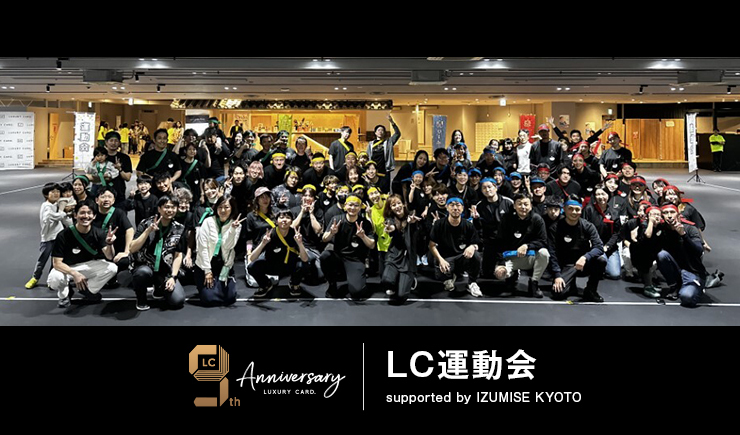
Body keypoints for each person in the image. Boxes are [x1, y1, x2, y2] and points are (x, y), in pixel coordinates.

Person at [48, 202, 119, 308]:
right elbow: (57, 263)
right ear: (75, 215)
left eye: (89, 213)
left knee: (112, 268)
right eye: (82, 213)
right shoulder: (63, 235)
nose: (86, 216)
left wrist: (109, 244)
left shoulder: (99, 233)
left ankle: (87, 290)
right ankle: (64, 295)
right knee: (55, 278)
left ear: (94, 216)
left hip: (88, 265)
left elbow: (109, 256)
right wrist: (75, 274)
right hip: (67, 268)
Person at [129, 196, 187, 311]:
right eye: (166, 207)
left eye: (173, 207)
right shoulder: (146, 223)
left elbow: (178, 255)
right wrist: (148, 231)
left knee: (178, 300)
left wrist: (173, 277)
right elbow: (132, 248)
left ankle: (159, 288)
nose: (170, 210)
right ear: (159, 209)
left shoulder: (179, 228)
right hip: (145, 265)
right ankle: (141, 298)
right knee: (142, 273)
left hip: (164, 269)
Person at [547, 196, 606, 302]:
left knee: (601, 260)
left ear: (581, 210)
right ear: (564, 209)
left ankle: (591, 291)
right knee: (558, 294)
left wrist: (585, 257)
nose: (574, 212)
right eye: (570, 209)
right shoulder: (555, 228)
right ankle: (571, 285)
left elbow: (599, 247)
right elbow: (552, 253)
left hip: (583, 263)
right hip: (565, 265)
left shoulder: (588, 226)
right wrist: (557, 275)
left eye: (577, 209)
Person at [494, 193, 550, 298]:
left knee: (544, 253)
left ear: (531, 205)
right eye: (519, 204)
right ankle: (511, 276)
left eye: (526, 204)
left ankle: (534, 283)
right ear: (514, 206)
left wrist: (527, 246)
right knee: (499, 274)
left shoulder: (537, 219)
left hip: (529, 257)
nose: (523, 207)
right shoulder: (506, 219)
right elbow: (499, 242)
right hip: (511, 257)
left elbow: (543, 241)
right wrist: (501, 262)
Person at [321, 194, 376, 300]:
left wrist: (363, 236)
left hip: (355, 259)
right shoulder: (337, 219)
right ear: (345, 206)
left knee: (357, 292)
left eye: (356, 205)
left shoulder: (365, 223)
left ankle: (357, 278)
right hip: (339, 256)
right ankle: (332, 284)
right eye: (350, 205)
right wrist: (332, 233)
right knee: (325, 256)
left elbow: (372, 245)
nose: (353, 208)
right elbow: (324, 239)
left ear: (360, 208)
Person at [654, 204, 708, 307]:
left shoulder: (690, 228)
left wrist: (684, 235)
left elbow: (699, 251)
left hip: (692, 271)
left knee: (687, 298)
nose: (669, 216)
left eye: (672, 212)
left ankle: (698, 287)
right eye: (665, 213)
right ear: (662, 216)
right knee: (662, 255)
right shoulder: (661, 229)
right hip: (677, 269)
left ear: (678, 215)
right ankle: (674, 285)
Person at [248, 209, 310, 299]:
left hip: (289, 265)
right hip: (272, 265)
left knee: (304, 265)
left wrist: (300, 243)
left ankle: (294, 284)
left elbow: (305, 259)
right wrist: (263, 243)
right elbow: (252, 258)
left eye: (288, 217)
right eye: (281, 217)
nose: (284, 220)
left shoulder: (295, 234)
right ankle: (265, 284)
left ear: (291, 222)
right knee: (252, 267)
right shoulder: (270, 234)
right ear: (276, 222)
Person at [195, 195, 244, 306]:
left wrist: (232, 229)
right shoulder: (208, 222)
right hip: (206, 265)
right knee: (209, 299)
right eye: (220, 207)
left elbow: (228, 246)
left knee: (230, 298)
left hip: (224, 265)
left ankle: (220, 283)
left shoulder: (236, 224)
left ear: (232, 209)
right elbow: (202, 248)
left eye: (226, 207)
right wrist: (207, 271)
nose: (222, 210)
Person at [429, 197, 482, 297]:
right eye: (452, 205)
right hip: (446, 259)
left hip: (461, 258)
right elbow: (431, 245)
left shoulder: (468, 225)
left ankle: (472, 282)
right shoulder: (439, 224)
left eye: (458, 205)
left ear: (462, 208)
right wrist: (440, 260)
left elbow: (477, 244)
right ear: (447, 207)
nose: (455, 208)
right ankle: (449, 278)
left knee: (476, 256)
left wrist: (472, 246)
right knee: (440, 271)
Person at [25, 183, 74, 289]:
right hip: (48, 238)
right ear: (46, 195)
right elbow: (52, 217)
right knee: (42, 259)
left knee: (56, 260)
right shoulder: (46, 206)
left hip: (59, 236)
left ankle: (51, 280)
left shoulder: (57, 204)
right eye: (53, 192)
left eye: (58, 191)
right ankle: (35, 278)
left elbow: (64, 219)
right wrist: (63, 212)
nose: (56, 194)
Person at [382, 194, 422, 305]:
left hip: (408, 257)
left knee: (401, 296)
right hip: (395, 255)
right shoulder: (390, 219)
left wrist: (412, 224)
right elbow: (392, 226)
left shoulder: (412, 216)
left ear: (403, 204)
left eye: (399, 203)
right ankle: (395, 281)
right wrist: (391, 229)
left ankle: (410, 279)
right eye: (393, 205)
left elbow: (418, 236)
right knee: (387, 280)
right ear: (390, 208)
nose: (397, 206)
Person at [472, 177, 514, 282]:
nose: (487, 190)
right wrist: (476, 219)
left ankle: (513, 270)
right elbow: (478, 227)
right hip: (489, 242)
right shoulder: (480, 206)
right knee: (487, 274)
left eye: (489, 187)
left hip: (506, 242)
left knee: (508, 276)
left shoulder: (508, 202)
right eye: (484, 188)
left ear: (495, 187)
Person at [92, 187, 134, 284]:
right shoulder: (92, 214)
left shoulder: (119, 213)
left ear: (114, 200)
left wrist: (126, 251)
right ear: (97, 200)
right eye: (103, 197)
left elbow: (130, 230)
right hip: (98, 253)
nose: (106, 199)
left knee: (123, 262)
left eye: (109, 197)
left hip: (116, 253)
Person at [583, 186, 622, 280]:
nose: (601, 197)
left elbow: (616, 233)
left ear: (608, 195)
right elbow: (584, 228)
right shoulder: (589, 209)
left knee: (615, 274)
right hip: (594, 246)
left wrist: (608, 246)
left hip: (609, 247)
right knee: (600, 262)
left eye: (603, 194)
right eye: (598, 194)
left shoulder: (614, 212)